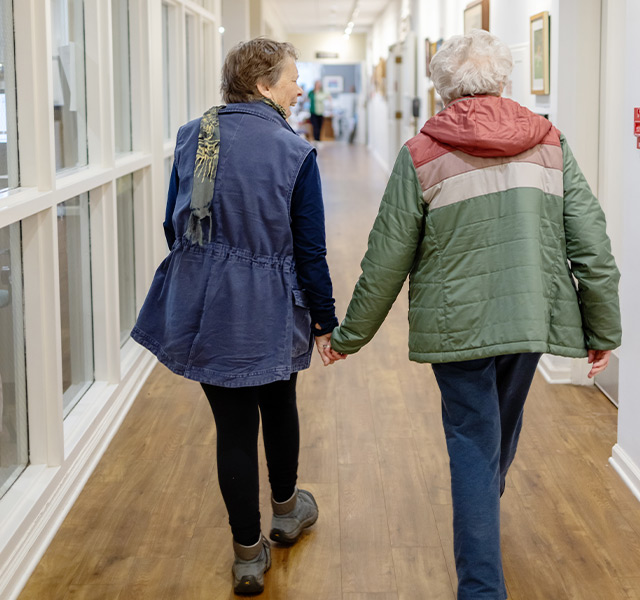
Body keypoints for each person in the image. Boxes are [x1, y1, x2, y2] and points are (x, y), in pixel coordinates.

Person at [327, 29, 621, 600]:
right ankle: (483, 531)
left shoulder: (422, 153)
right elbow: (592, 244)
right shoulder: (551, 144)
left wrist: (349, 335)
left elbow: (386, 258)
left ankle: (481, 586)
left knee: (475, 440)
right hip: (530, 318)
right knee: (492, 436)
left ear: (440, 89)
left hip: (457, 324)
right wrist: (602, 326)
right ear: (504, 81)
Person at [131, 38, 340, 595]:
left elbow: (176, 227)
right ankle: (287, 511)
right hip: (268, 304)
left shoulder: (193, 135)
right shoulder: (292, 151)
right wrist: (325, 320)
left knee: (232, 428)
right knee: (279, 404)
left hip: (204, 302)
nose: (300, 88)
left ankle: (248, 554)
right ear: (265, 85)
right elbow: (309, 251)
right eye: (293, 79)